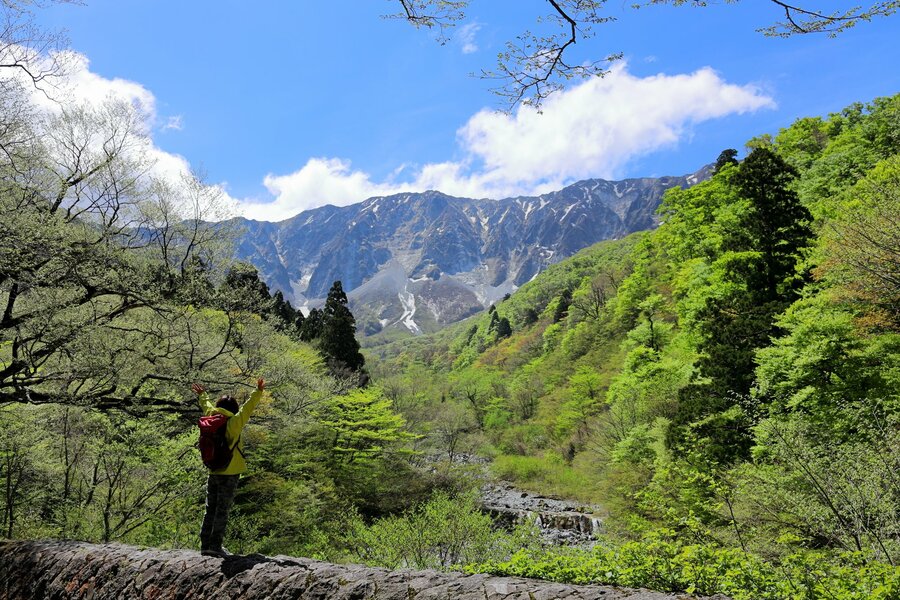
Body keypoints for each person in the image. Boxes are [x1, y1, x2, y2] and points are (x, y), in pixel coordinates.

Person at [192, 378, 265, 558]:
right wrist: (258, 391)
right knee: (222, 510)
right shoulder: (234, 423)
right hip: (230, 472)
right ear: (234, 409)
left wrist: (202, 394)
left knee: (210, 508)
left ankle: (205, 545)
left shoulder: (211, 416)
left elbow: (206, 405)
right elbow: (248, 408)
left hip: (213, 469)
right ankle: (215, 546)